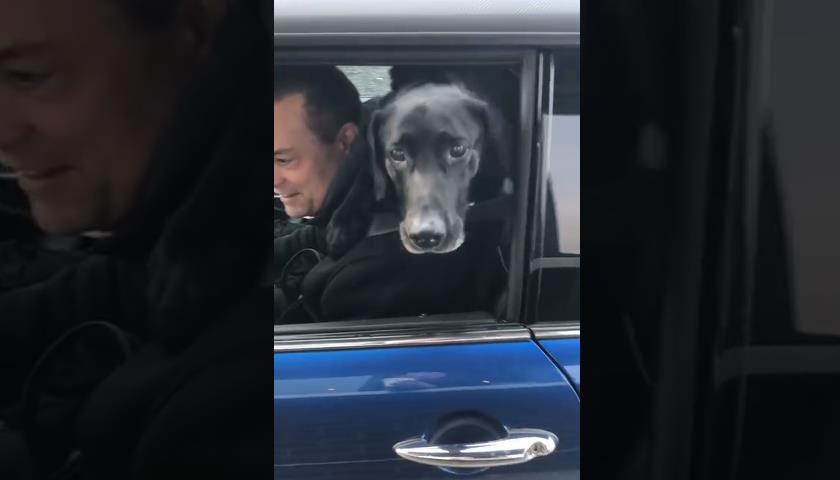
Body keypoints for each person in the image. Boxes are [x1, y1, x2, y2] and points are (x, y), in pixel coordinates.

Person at [0, 1, 270, 478]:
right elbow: (78, 299)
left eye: (28, 76)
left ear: (198, 34)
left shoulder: (236, 396)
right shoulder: (189, 249)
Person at [273, 66, 507, 324]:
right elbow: (317, 236)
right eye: (398, 154)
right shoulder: (361, 206)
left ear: (346, 141)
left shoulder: (373, 274)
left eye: (284, 160)